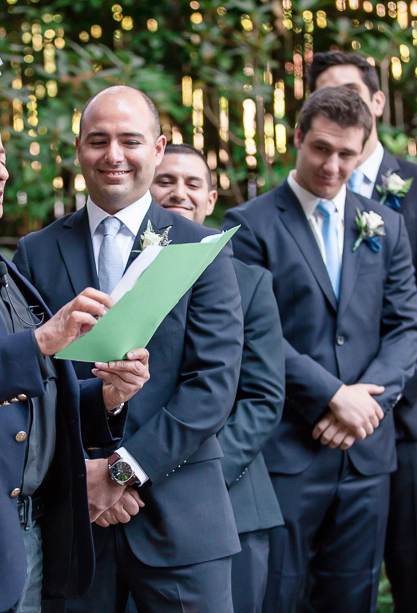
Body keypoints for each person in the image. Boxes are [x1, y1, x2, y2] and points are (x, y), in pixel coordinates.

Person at [14, 85, 244, 613]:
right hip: (76, 519)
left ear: (158, 149)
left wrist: (121, 471)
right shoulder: (36, 251)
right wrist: (86, 475)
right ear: (79, 150)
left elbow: (212, 385)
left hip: (182, 518)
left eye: (130, 140)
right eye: (98, 141)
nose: (113, 155)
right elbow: (37, 383)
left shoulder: (199, 247)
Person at [0, 100, 150, 613]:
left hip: (41, 526)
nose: (1, 170)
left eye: (1, 156)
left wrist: (107, 396)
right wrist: (44, 340)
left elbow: (37, 395)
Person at [223, 87, 417, 613]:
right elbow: (251, 334)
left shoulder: (387, 225)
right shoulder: (249, 224)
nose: (333, 166)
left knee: (352, 597)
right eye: (321, 149)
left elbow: (406, 328)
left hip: (365, 453)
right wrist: (333, 395)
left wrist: (364, 406)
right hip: (288, 449)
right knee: (278, 594)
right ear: (297, 139)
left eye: (347, 155)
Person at [308, 51, 417, 613]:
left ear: (375, 103)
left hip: (408, 419)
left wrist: (371, 403)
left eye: (352, 93)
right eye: (328, 96)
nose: (343, 106)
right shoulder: (299, 195)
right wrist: (332, 401)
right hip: (318, 425)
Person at [150, 143, 285, 613]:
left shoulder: (251, 282)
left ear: (210, 201)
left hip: (230, 500)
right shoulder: (119, 274)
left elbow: (262, 398)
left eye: (193, 184)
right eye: (165, 180)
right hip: (127, 506)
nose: (178, 193)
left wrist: (192, 477)